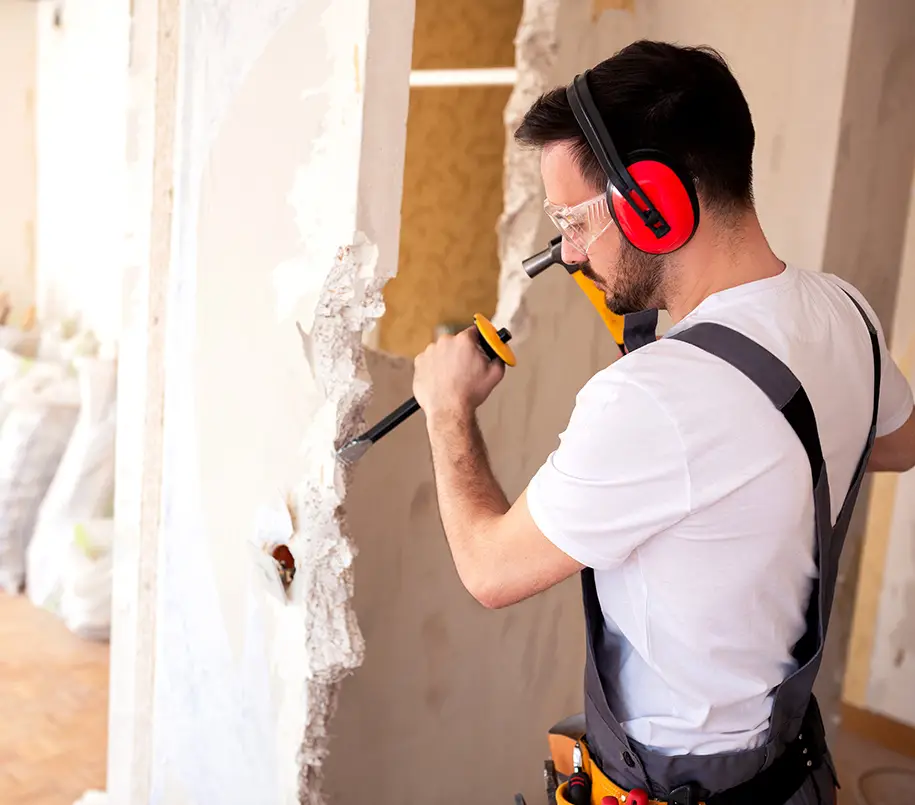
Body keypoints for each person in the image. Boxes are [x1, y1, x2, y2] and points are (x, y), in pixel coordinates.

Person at [411, 40, 915, 804]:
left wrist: (446, 408)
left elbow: (489, 569)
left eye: (573, 221)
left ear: (653, 199)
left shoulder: (653, 400)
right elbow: (896, 444)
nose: (571, 253)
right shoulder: (842, 311)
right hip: (788, 774)